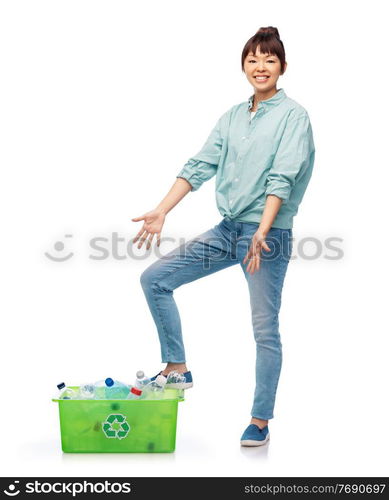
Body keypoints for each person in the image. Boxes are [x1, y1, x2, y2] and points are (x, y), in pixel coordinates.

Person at [132, 26, 315, 446]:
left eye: (269, 60)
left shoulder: (294, 116)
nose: (261, 67)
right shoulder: (232, 116)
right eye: (253, 59)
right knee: (155, 279)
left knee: (264, 330)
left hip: (266, 236)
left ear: (283, 67)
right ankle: (177, 367)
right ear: (244, 67)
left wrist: (263, 231)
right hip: (228, 229)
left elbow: (281, 178)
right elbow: (200, 164)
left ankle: (260, 421)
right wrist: (162, 209)